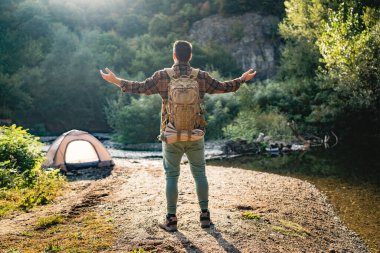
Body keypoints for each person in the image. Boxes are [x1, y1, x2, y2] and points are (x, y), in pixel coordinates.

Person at [100, 40, 256, 232]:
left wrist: (116, 81)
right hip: (195, 134)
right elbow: (224, 87)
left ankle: (171, 219)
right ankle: (205, 217)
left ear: (174, 55)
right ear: (190, 56)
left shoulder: (163, 76)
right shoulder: (201, 77)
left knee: (172, 176)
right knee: (199, 174)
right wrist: (242, 78)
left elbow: (139, 87)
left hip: (171, 135)